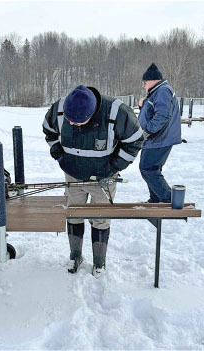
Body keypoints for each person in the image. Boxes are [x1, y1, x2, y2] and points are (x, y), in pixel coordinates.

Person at [43, 85, 144, 277]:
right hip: (72, 175)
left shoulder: (117, 112)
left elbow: (135, 141)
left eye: (79, 122)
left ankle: (99, 261)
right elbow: (49, 130)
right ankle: (76, 255)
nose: (73, 125)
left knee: (101, 218)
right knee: (73, 214)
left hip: (103, 179)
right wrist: (59, 155)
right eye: (70, 122)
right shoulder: (59, 110)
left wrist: (114, 166)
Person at [138, 63, 181, 203]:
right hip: (155, 139)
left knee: (147, 168)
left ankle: (167, 198)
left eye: (145, 82)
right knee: (151, 169)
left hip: (158, 139)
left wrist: (147, 131)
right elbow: (153, 111)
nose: (143, 86)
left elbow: (162, 116)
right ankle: (155, 199)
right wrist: (143, 105)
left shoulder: (163, 91)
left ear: (153, 80)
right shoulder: (157, 91)